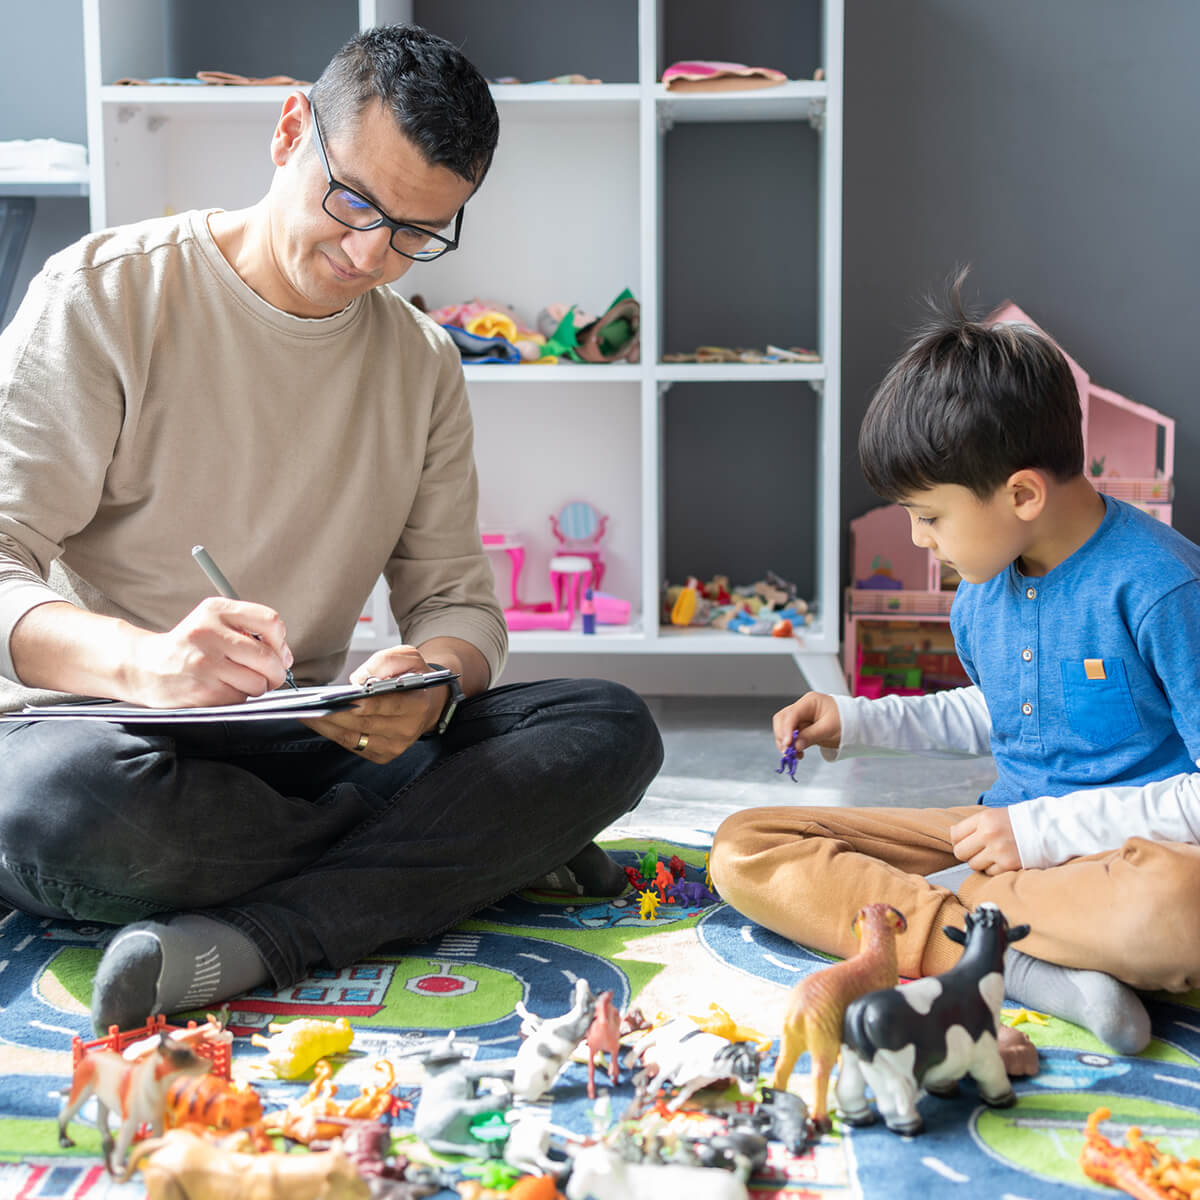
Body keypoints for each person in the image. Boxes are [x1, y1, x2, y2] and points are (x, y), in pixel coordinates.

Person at [0, 25, 662, 1034]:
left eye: (415, 232)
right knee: (58, 810)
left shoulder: (423, 364)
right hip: (118, 740)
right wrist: (150, 665)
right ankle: (461, 853)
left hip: (306, 733)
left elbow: (456, 603)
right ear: (286, 133)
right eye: (353, 203)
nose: (370, 255)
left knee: (608, 727)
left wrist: (429, 676)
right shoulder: (104, 297)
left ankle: (260, 935)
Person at [710, 278, 1200, 1055]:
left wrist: (1040, 833)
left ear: (1022, 494)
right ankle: (1035, 968)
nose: (918, 541)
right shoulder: (983, 593)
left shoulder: (1164, 589)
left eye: (929, 516)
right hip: (993, 847)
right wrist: (857, 718)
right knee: (747, 845)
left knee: (1178, 907)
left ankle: (967, 928)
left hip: (1118, 861)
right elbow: (1002, 709)